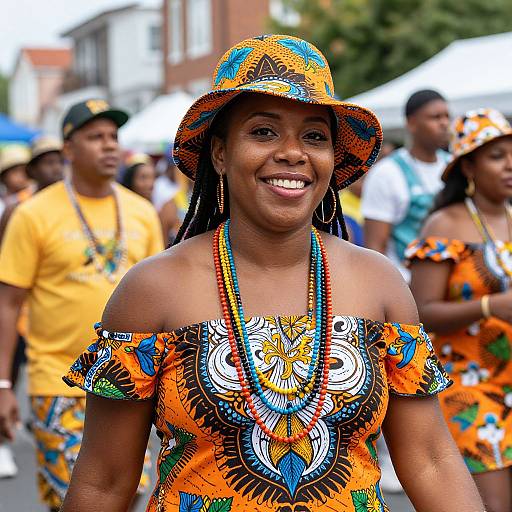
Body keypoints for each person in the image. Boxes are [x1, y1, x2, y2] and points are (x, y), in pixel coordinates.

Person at [60, 36, 483, 511]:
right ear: (219, 154)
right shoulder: (152, 291)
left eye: (314, 136)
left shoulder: (379, 283)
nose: (292, 153)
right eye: (263, 132)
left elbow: (430, 460)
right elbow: (105, 481)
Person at [0, 99, 164, 511]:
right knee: (76, 497)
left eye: (113, 137)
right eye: (95, 137)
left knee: (134, 491)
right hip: (57, 382)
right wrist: (2, 385)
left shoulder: (142, 212)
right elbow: (8, 303)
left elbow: (161, 302)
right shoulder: (32, 214)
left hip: (128, 383)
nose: (109, 146)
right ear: (69, 149)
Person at [408, 108, 512, 512]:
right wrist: (489, 305)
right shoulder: (443, 225)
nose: (509, 165)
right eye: (496, 155)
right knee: (492, 505)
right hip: (469, 388)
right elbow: (420, 312)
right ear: (467, 165)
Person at [0, 135, 64, 479]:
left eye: (58, 160)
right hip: (18, 311)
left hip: (42, 318)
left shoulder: (72, 207)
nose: (54, 167)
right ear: (33, 170)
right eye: (46, 162)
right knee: (10, 373)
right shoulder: (19, 210)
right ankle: (3, 439)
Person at [362, 89, 450, 280]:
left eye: (446, 116)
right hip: (405, 283)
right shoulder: (387, 173)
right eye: (435, 117)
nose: (444, 123)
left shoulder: (454, 167)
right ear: (411, 123)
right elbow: (375, 246)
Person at [0, 135, 64, 242]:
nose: (57, 168)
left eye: (61, 162)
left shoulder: (73, 205)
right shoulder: (16, 209)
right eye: (49, 162)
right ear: (32, 170)